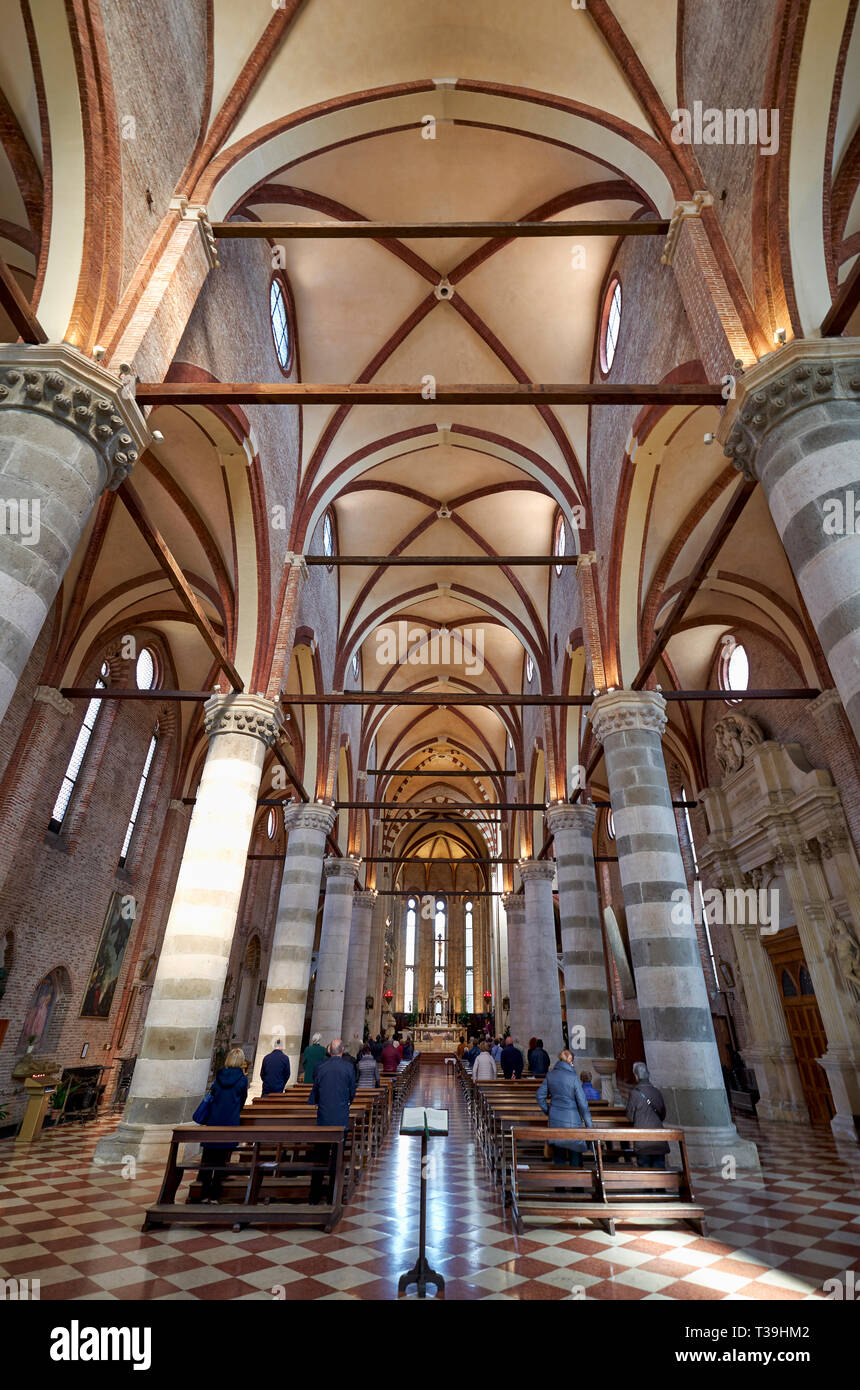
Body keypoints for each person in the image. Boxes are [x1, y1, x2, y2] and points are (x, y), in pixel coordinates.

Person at [308, 1038, 357, 1203]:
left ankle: (314, 1196)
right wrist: (346, 1102)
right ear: (342, 1051)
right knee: (337, 1157)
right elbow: (352, 1092)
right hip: (340, 1118)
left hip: (323, 1117)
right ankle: (332, 1196)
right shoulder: (349, 1067)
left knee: (320, 1156)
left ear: (330, 1051)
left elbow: (315, 1092)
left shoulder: (320, 1067)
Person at [197, 1047, 248, 1202]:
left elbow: (212, 1095)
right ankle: (215, 1194)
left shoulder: (219, 1076)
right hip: (229, 1120)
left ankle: (204, 1193)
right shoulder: (242, 1079)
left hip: (214, 1120)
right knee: (222, 1158)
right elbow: (242, 1100)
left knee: (208, 1156)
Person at [536, 1048, 593, 1167]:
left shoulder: (550, 1075)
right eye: (572, 1061)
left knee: (559, 1157)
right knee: (575, 1156)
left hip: (555, 1121)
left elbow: (539, 1096)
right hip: (573, 1122)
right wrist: (589, 1126)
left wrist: (549, 1111)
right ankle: (577, 1184)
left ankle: (560, 1185)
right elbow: (583, 1104)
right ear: (570, 1061)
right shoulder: (573, 1077)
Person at [625, 1062, 670, 1168]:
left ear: (636, 1076)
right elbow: (663, 1115)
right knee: (660, 1174)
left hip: (643, 1140)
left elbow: (630, 1117)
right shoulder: (657, 1092)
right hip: (659, 1139)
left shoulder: (634, 1094)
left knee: (646, 1175)